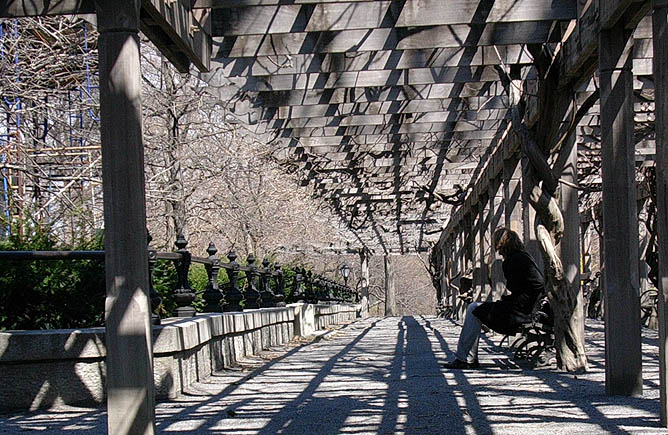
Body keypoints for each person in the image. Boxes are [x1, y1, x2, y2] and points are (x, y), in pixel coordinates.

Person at [444, 227, 545, 369]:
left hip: (520, 312)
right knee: (475, 308)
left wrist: (521, 302)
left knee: (474, 308)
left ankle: (466, 358)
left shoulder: (517, 259)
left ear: (501, 244)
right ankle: (466, 357)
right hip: (520, 309)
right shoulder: (522, 257)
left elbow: (537, 282)